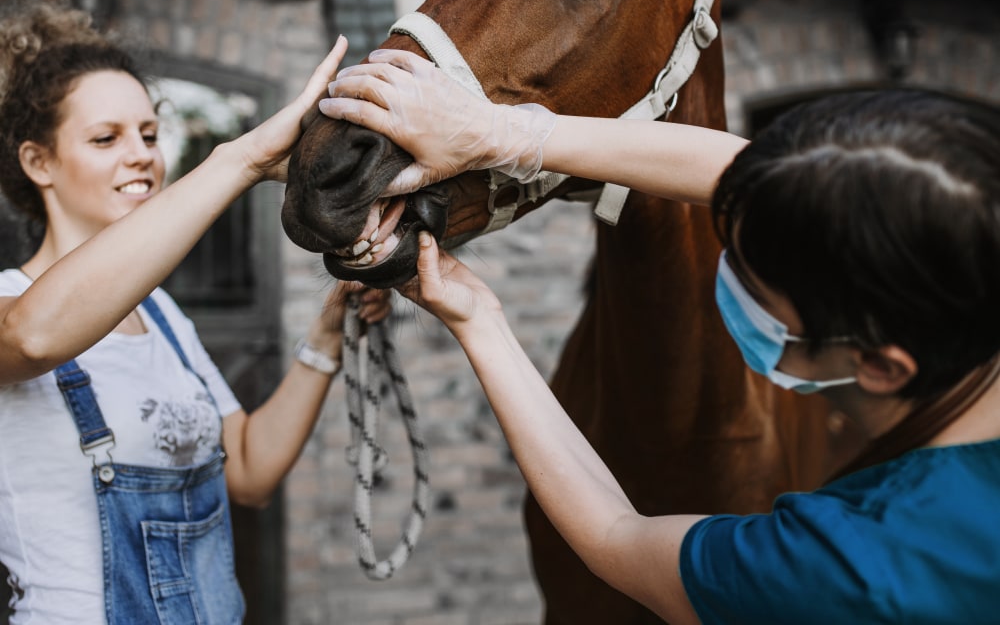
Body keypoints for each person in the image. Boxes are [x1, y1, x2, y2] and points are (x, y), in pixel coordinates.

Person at [322, 49, 1000, 624]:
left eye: (756, 288)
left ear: (881, 366)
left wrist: (478, 319)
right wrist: (504, 134)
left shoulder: (850, 569)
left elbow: (618, 538)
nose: (725, 273)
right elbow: (742, 176)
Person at [0, 2, 390, 624]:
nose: (142, 157)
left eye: (150, 135)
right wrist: (240, 160)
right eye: (107, 138)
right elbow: (35, 337)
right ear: (37, 162)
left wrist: (329, 334)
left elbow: (253, 472)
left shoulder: (163, 316)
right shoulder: (10, 306)